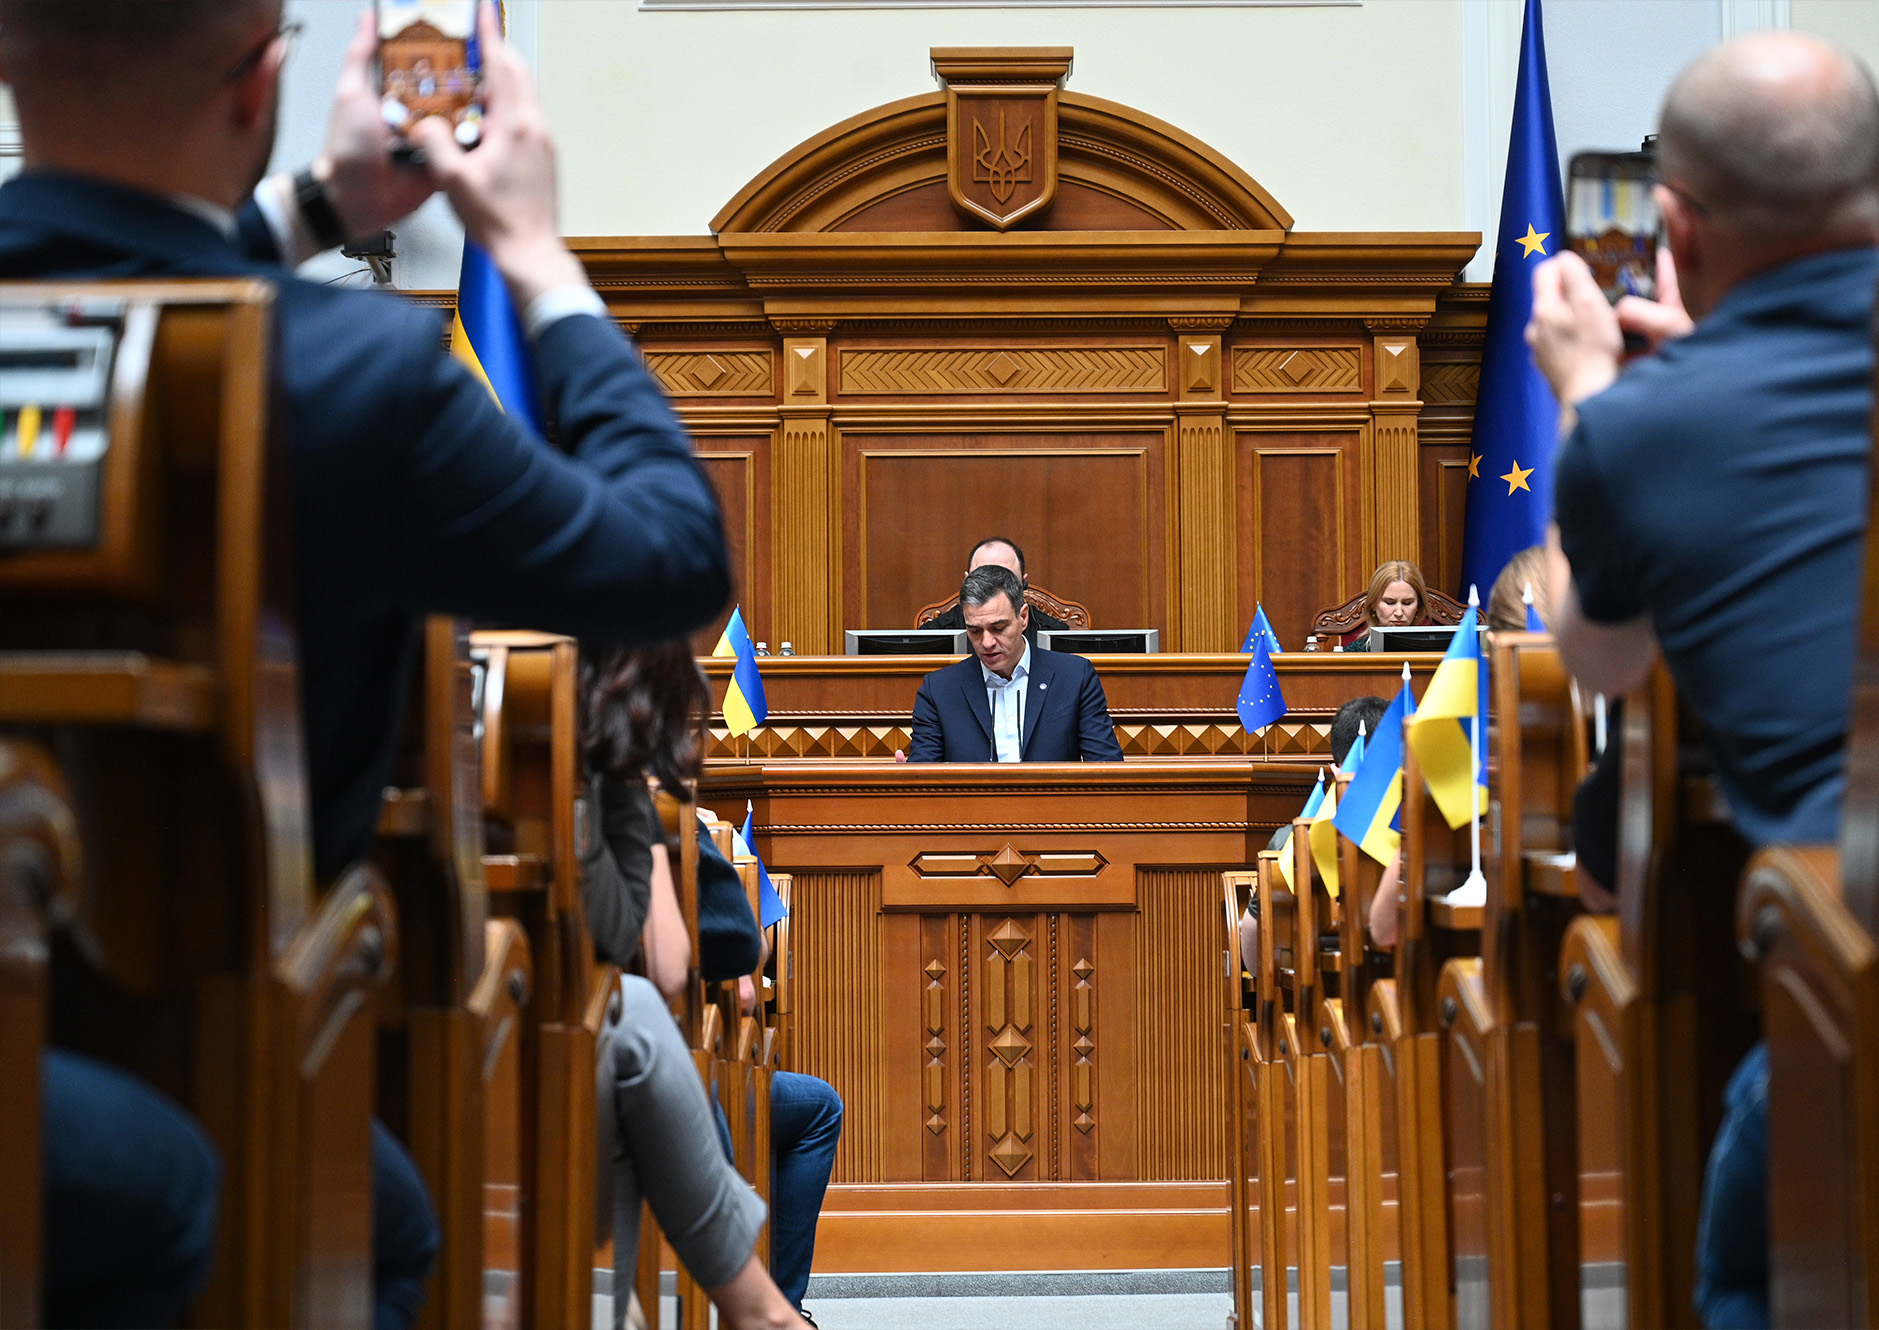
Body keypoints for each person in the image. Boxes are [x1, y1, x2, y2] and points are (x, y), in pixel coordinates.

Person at [0, 2, 731, 1324]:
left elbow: (112, 275)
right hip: (182, 1029)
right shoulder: (353, 377)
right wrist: (533, 248)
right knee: (376, 1216)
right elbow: (673, 557)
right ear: (260, 86)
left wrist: (305, 214)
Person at [1525, 31, 1879, 1330]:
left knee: (1740, 1270)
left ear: (1672, 230)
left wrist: (1587, 391)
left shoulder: (1644, 426)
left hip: (1868, 978)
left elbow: (1602, 654)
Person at [575, 643, 806, 1330]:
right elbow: (671, 961)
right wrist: (644, 825)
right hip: (569, 1043)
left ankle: (730, 1310)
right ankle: (769, 1309)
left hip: (535, 1041)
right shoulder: (597, 780)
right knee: (641, 1024)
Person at [905, 565, 1121, 763]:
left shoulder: (1074, 677)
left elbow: (1107, 768)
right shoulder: (939, 690)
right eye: (975, 631)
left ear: (1023, 617)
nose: (987, 643)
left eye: (998, 628)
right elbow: (926, 780)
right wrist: (910, 779)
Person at [1239, 695, 1388, 970]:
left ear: (1335, 771)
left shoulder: (1291, 842)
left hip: (1316, 997)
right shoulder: (1423, 830)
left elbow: (1253, 938)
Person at [923, 537, 1069, 635]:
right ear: (966, 582)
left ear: (1023, 584)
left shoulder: (1053, 633)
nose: (993, 589)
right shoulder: (934, 633)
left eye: (1006, 579)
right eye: (983, 577)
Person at [1341, 560, 1432, 646]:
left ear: (1418, 606)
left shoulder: (1436, 653)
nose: (1399, 613)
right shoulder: (1352, 655)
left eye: (1407, 603)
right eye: (1389, 603)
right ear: (1373, 603)